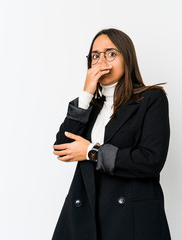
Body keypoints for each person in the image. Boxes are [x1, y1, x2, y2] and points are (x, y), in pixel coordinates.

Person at [51, 28, 171, 240]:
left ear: (127, 58)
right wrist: (86, 93)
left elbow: (151, 160)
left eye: (111, 54)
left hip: (130, 219)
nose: (101, 61)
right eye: (95, 56)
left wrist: (91, 152)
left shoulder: (151, 100)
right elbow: (62, 147)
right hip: (86, 217)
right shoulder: (89, 107)